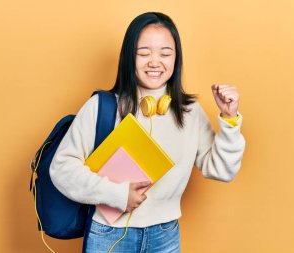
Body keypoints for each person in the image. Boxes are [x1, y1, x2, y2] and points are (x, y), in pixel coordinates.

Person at [49, 12, 245, 253]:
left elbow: (222, 170)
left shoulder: (189, 111)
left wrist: (229, 119)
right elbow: (62, 168)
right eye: (143, 53)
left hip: (165, 235)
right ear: (129, 57)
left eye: (165, 53)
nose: (155, 62)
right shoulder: (103, 107)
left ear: (176, 58)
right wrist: (117, 194)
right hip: (108, 234)